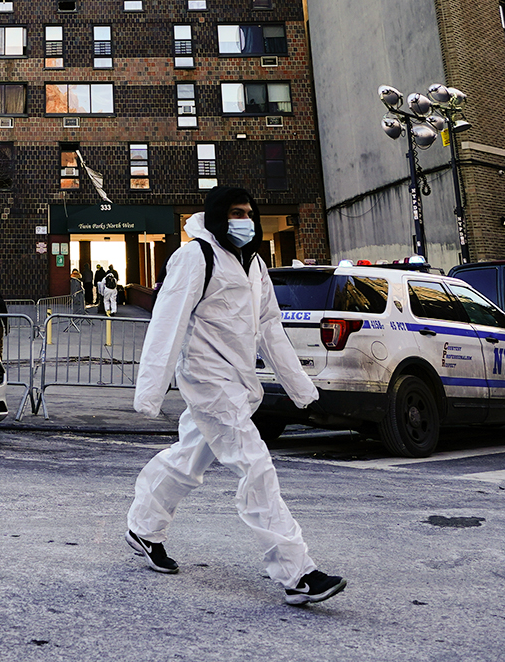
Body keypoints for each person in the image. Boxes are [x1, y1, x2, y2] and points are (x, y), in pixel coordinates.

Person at [125, 187, 346, 608]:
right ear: (215, 216)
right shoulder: (195, 256)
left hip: (240, 383)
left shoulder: (255, 263)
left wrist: (302, 390)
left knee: (188, 459)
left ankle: (143, 527)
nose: (243, 220)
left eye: (248, 213)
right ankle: (297, 571)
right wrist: (149, 395)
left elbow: (270, 327)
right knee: (255, 466)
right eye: (234, 213)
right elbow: (166, 324)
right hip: (208, 381)